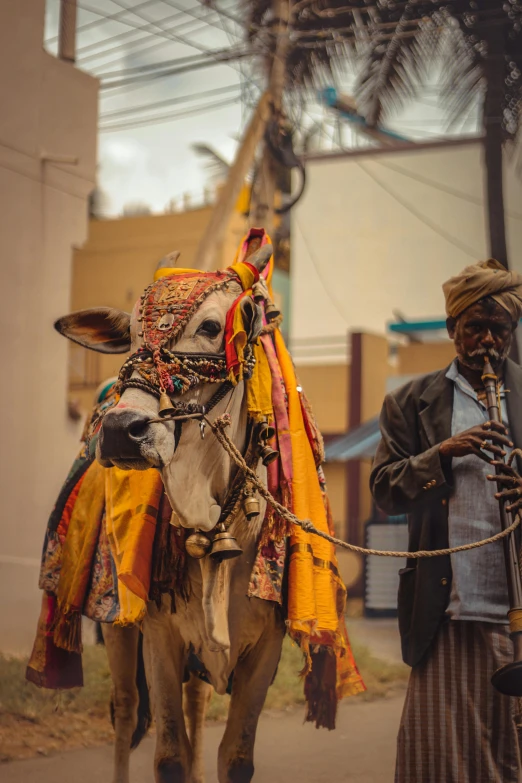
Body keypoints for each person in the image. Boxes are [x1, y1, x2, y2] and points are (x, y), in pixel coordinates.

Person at [370, 258, 522, 782]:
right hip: (446, 614)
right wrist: (442, 454)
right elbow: (385, 490)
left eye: (497, 329)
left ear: (511, 333)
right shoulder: (410, 403)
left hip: (516, 615)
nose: (485, 341)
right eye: (473, 328)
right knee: (440, 760)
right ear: (452, 330)